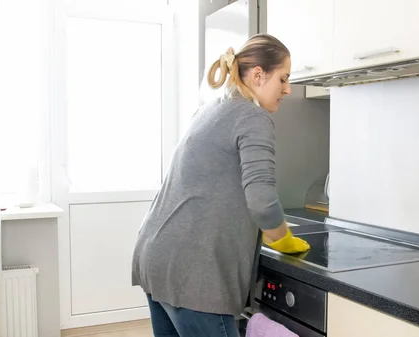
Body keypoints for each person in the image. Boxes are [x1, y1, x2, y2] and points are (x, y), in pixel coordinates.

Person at [131, 33, 310, 337]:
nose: (287, 89)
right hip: (194, 272)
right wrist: (282, 238)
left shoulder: (210, 108)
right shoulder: (253, 117)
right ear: (258, 75)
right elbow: (262, 200)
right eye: (283, 78)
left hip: (157, 255)